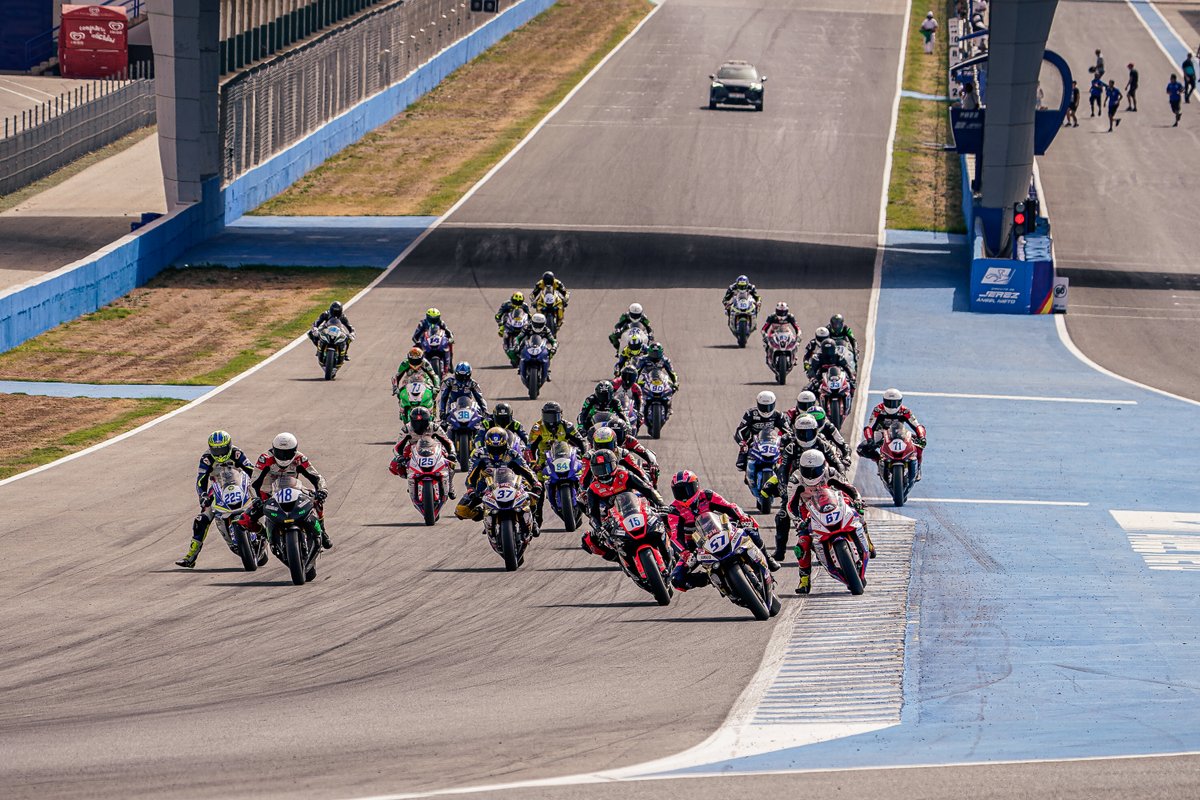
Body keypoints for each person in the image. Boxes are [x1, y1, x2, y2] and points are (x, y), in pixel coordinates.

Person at [666, 470, 780, 591]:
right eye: (679, 491)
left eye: (687, 489)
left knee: (750, 527)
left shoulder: (707, 495)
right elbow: (675, 536)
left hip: (719, 531)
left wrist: (742, 517)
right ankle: (711, 578)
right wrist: (684, 552)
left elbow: (729, 507)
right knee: (676, 579)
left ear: (696, 486)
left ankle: (767, 558)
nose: (684, 496)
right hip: (695, 547)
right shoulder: (674, 510)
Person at [784, 451, 872, 594]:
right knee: (803, 542)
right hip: (808, 509)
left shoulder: (830, 471)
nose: (811, 475)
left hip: (834, 501)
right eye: (807, 471)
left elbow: (847, 487)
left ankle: (867, 541)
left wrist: (857, 499)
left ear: (823, 465)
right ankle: (804, 579)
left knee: (857, 514)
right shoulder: (796, 479)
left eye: (815, 471)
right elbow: (791, 504)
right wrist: (797, 520)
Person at [175, 431, 257, 568]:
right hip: (218, 487)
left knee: (261, 502)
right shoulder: (206, 458)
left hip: (240, 484)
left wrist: (257, 486)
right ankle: (191, 556)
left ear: (229, 446)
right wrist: (203, 496)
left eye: (222, 449)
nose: (219, 454)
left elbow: (251, 470)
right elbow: (201, 480)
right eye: (215, 450)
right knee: (201, 519)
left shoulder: (237, 453)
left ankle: (270, 536)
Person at [241, 432, 332, 551]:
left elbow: (317, 477)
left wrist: (322, 490)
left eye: (288, 453)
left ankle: (322, 530)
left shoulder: (300, 459)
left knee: (317, 500)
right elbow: (253, 483)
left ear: (294, 450)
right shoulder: (265, 459)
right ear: (274, 449)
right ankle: (265, 534)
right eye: (280, 452)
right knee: (244, 520)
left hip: (294, 490)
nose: (284, 457)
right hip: (268, 493)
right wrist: (256, 499)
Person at [579, 450, 667, 561]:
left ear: (615, 464)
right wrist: (598, 528)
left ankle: (672, 543)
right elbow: (593, 513)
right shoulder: (593, 488)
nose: (603, 473)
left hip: (637, 509)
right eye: (598, 469)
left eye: (607, 467)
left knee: (665, 516)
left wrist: (661, 504)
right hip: (614, 518)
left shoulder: (624, 475)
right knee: (588, 540)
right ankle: (619, 558)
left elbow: (648, 490)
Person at [455, 427, 543, 527]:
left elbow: (526, 470)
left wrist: (535, 482)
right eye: (492, 448)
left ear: (506, 444)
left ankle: (533, 518)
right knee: (461, 510)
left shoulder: (513, 454)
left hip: (513, 483)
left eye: (499, 448)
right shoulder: (479, 454)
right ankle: (484, 514)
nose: (496, 452)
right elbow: (471, 475)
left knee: (532, 493)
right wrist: (471, 489)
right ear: (487, 444)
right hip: (485, 485)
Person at [857, 388, 927, 478]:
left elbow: (917, 426)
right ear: (884, 401)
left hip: (901, 433)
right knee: (861, 449)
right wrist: (870, 440)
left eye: (894, 403)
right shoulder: (878, 410)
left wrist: (921, 437)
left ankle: (918, 467)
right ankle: (879, 461)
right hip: (881, 434)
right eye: (888, 402)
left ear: (900, 402)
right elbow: (869, 427)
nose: (891, 406)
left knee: (919, 445)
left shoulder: (905, 411)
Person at [389, 407, 457, 498]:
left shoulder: (434, 427)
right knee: (394, 465)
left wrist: (452, 453)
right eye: (416, 422)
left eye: (422, 422)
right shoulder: (407, 429)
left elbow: (447, 441)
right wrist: (400, 458)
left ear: (428, 420)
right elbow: (398, 447)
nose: (419, 425)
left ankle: (450, 486)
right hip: (413, 448)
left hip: (433, 447)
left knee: (450, 463)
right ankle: (412, 479)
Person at [733, 390, 792, 471]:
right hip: (754, 442)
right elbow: (740, 430)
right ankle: (748, 470)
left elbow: (788, 431)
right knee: (740, 465)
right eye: (763, 407)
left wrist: (786, 439)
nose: (766, 410)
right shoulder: (750, 413)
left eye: (769, 406)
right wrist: (742, 443)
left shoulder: (778, 415)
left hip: (773, 442)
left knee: (787, 460)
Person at [787, 390, 850, 462]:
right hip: (801, 457)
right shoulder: (801, 426)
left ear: (824, 419)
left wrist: (847, 457)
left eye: (819, 420)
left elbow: (843, 444)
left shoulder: (829, 427)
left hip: (825, 456)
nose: (816, 423)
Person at [528, 401, 586, 468]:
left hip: (565, 459)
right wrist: (533, 463)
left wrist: (584, 457)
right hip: (544, 462)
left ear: (561, 415)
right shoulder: (537, 428)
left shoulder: (567, 426)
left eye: (554, 417)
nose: (551, 421)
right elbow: (530, 447)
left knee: (578, 474)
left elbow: (581, 441)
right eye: (548, 417)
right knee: (535, 476)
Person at [516, 312, 558, 379]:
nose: (538, 326)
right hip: (528, 344)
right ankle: (520, 365)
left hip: (541, 346)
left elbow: (553, 340)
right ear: (532, 322)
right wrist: (516, 344)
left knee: (549, 353)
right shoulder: (527, 327)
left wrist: (554, 347)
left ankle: (547, 371)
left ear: (544, 324)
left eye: (540, 324)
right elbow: (518, 337)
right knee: (519, 349)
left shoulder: (546, 330)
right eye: (536, 324)